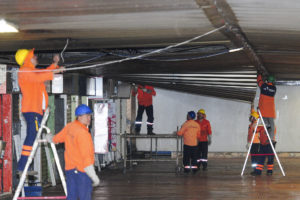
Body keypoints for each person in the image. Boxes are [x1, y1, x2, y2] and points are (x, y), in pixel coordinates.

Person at [16, 48, 65, 171]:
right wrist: (56, 71)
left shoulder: (32, 71)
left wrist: (54, 64)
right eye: (33, 56)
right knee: (32, 134)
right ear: (27, 59)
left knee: (33, 135)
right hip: (32, 110)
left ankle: (25, 165)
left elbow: (43, 73)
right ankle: (23, 165)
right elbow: (39, 77)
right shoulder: (24, 71)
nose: (36, 57)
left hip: (37, 110)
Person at [46, 104, 100, 200]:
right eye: (86, 116)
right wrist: (93, 175)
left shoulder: (69, 127)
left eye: (90, 115)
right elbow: (86, 156)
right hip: (83, 172)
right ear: (79, 117)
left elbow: (56, 139)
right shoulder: (84, 134)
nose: (89, 118)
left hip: (70, 170)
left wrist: (49, 137)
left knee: (72, 197)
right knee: (85, 197)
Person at [257, 73, 276, 144]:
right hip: (270, 111)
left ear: (267, 80)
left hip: (263, 111)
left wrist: (259, 75)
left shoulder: (263, 85)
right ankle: (271, 138)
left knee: (266, 125)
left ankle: (267, 136)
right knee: (272, 125)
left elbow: (259, 82)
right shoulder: (274, 89)